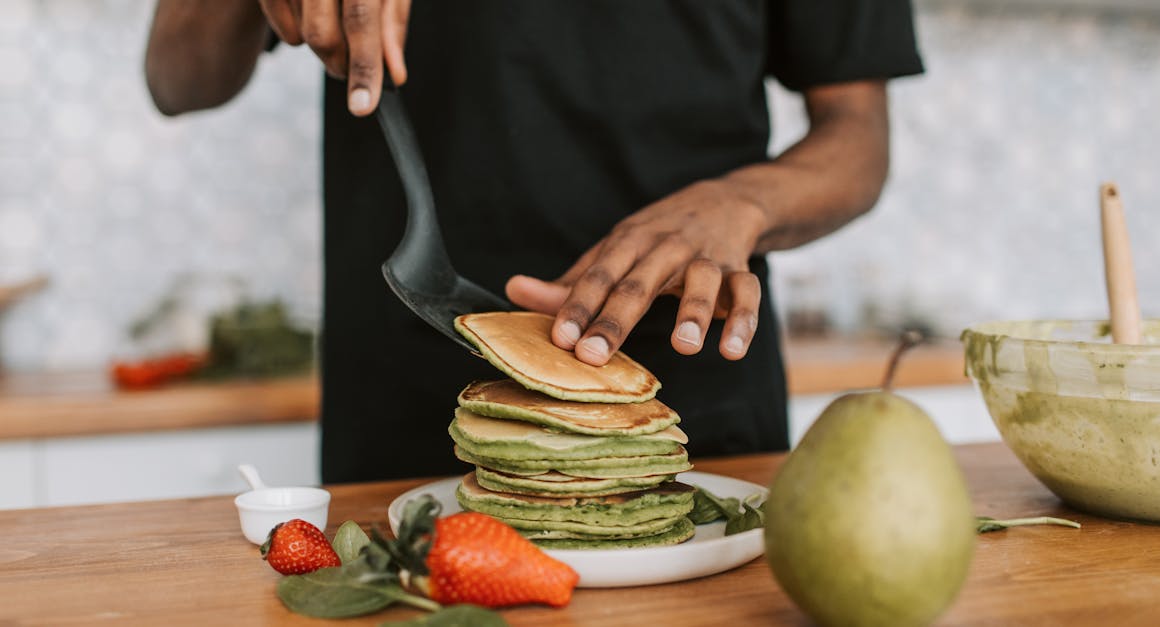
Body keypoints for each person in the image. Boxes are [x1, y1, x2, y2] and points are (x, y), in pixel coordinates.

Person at [144, 1, 923, 484]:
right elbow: (176, 76)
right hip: (406, 407)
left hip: (692, 409)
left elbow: (858, 137)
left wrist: (741, 202)